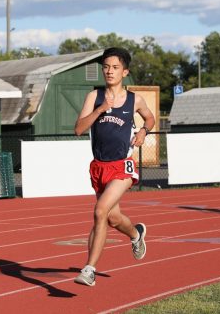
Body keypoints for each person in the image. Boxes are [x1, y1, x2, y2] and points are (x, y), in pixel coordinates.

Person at [73, 47, 155, 286]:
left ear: (125, 72)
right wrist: (100, 109)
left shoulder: (134, 99)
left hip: (122, 167)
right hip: (99, 167)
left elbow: (149, 118)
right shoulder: (94, 97)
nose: (109, 71)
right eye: (106, 67)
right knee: (112, 218)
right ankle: (135, 234)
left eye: (115, 67)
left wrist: (142, 131)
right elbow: (78, 129)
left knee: (100, 211)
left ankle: (89, 269)